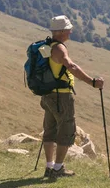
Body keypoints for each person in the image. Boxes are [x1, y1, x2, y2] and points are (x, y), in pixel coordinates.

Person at [41, 15, 104, 178]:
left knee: (49, 130)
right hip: (61, 96)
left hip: (47, 94)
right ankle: (58, 168)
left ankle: (49, 166)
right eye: (68, 29)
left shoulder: (45, 46)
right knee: (66, 129)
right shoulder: (59, 48)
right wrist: (92, 82)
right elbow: (71, 66)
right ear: (61, 31)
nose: (70, 32)